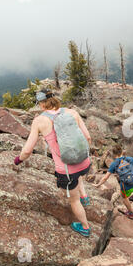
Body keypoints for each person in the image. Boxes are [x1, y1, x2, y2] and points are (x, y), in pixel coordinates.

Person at [14, 89, 93, 237]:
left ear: (42, 104)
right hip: (85, 162)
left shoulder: (39, 121)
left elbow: (27, 151)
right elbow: (87, 137)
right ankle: (85, 195)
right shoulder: (72, 112)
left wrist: (18, 160)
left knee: (74, 201)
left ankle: (85, 227)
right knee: (78, 174)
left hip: (67, 171)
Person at [95, 145, 133, 227]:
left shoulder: (114, 164)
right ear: (122, 152)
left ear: (113, 154)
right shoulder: (130, 159)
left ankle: (131, 213)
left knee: (124, 198)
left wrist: (98, 184)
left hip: (126, 186)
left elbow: (105, 177)